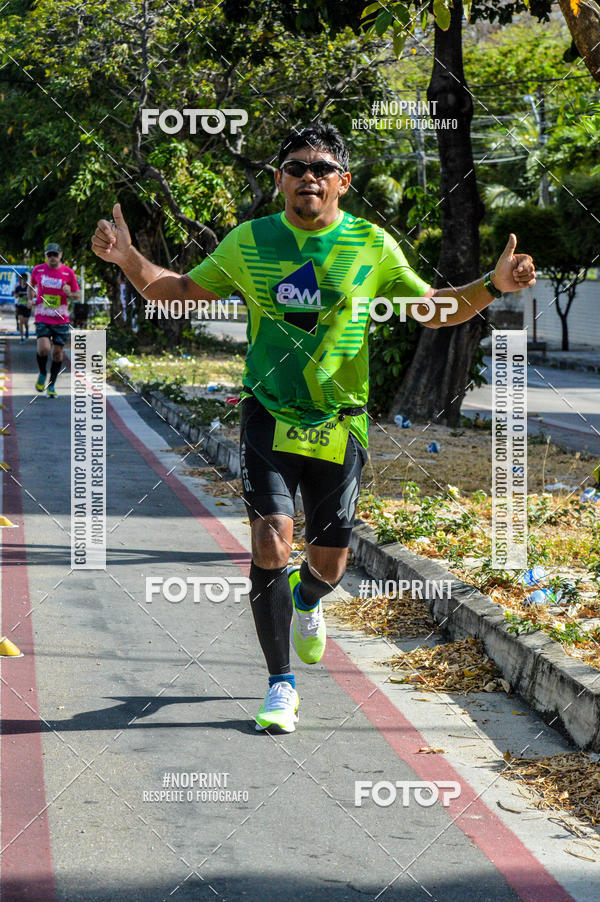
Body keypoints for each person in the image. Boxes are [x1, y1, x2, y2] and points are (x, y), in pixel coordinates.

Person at [91, 123, 536, 733]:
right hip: (267, 413)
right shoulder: (250, 241)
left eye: (321, 168)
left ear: (343, 183)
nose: (308, 176)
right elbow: (182, 290)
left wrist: (493, 286)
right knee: (271, 540)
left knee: (328, 564)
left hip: (341, 421)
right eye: (296, 167)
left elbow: (432, 310)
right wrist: (128, 258)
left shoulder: (372, 245)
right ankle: (280, 685)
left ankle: (307, 599)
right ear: (279, 181)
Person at [28, 242, 80, 398]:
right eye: (49, 254)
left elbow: (78, 295)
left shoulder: (68, 273)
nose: (52, 257)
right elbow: (30, 286)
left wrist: (70, 293)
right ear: (46, 256)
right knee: (43, 348)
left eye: (55, 255)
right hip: (42, 316)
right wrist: (30, 299)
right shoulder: (38, 270)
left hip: (61, 319)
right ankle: (43, 373)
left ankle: (51, 385)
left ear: (60, 255)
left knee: (58, 354)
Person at [13, 272, 31, 341]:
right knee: (20, 321)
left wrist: (27, 296)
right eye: (21, 279)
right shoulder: (18, 287)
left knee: (25, 323)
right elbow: (15, 296)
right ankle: (22, 337)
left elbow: (32, 296)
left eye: (24, 279)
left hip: (27, 307)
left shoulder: (29, 287)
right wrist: (18, 295)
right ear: (20, 280)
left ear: (26, 280)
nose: (23, 281)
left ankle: (26, 331)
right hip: (20, 306)